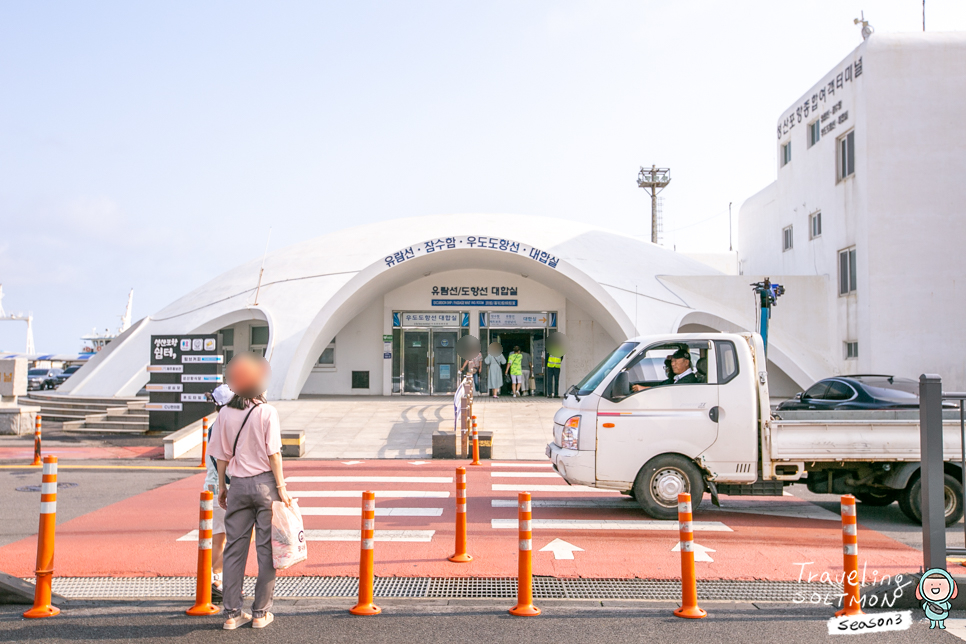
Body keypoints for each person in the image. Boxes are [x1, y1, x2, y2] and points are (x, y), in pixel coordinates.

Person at [208, 353, 293, 630]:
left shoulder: (224, 414)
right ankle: (260, 613)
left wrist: (222, 486)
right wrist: (281, 489)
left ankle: (231, 614)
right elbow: (274, 454)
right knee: (266, 550)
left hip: (238, 485)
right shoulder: (267, 412)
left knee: (234, 550)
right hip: (266, 485)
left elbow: (221, 455)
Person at [203, 383, 235, 599]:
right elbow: (220, 461)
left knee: (219, 537)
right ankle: (219, 580)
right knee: (232, 537)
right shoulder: (223, 426)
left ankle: (216, 579)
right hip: (225, 488)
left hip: (212, 487)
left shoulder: (216, 424)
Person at [631, 347, 698, 392]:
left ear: (686, 362)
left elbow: (668, 392)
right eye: (672, 361)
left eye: (675, 361)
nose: (672, 364)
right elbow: (661, 386)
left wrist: (643, 389)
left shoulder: (689, 380)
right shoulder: (676, 378)